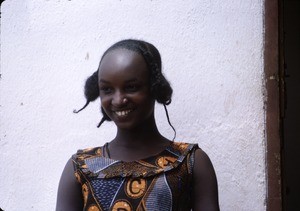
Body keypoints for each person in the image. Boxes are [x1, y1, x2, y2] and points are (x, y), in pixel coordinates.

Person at [56, 39, 219, 211]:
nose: (118, 100)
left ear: (155, 87)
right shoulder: (81, 168)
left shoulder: (190, 162)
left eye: (131, 87)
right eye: (107, 89)